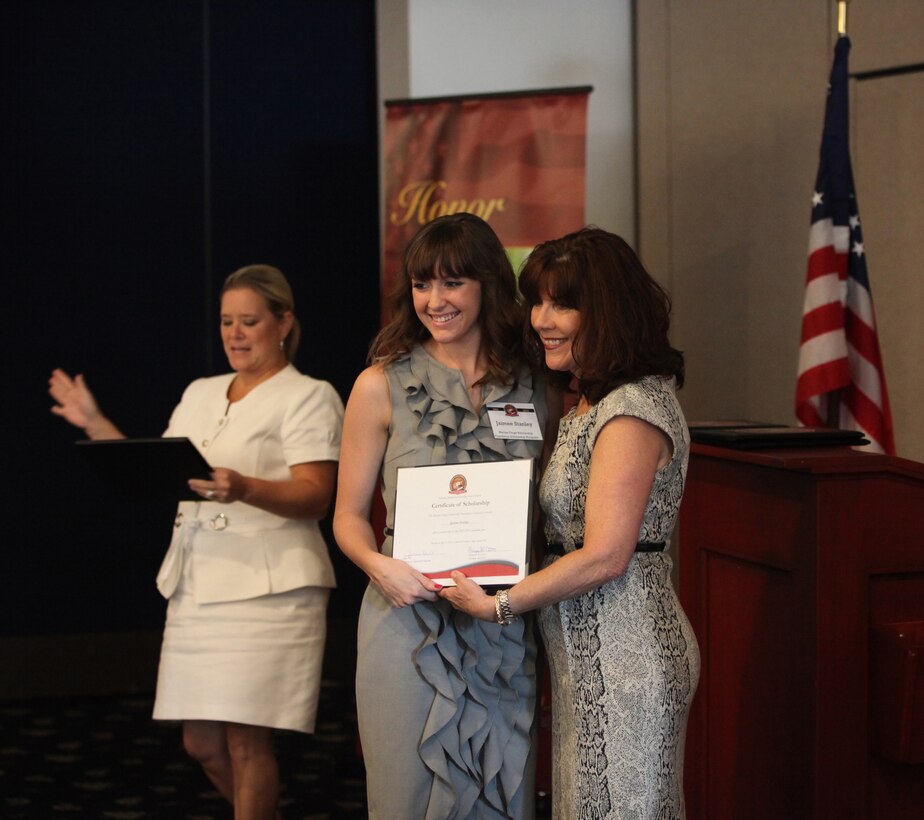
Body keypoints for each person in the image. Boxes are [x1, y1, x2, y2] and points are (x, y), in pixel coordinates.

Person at [49, 264, 344, 820]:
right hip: (198, 582)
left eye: (249, 321)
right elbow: (157, 469)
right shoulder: (201, 392)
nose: (235, 333)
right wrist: (94, 422)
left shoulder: (309, 396)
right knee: (200, 743)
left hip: (269, 588)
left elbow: (316, 496)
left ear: (284, 322)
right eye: (226, 321)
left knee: (246, 741)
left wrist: (244, 486)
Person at [442, 227, 701, 819]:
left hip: (629, 661)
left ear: (606, 312)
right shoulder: (590, 399)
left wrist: (499, 603)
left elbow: (607, 554)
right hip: (586, 660)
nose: (540, 319)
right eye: (537, 300)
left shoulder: (632, 409)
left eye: (562, 303)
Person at [333, 213, 558, 819]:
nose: (435, 300)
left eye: (453, 283)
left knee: (501, 793)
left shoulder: (538, 385)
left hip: (502, 624)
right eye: (422, 284)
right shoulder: (378, 385)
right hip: (405, 621)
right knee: (404, 797)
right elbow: (347, 517)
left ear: (486, 284)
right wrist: (379, 567)